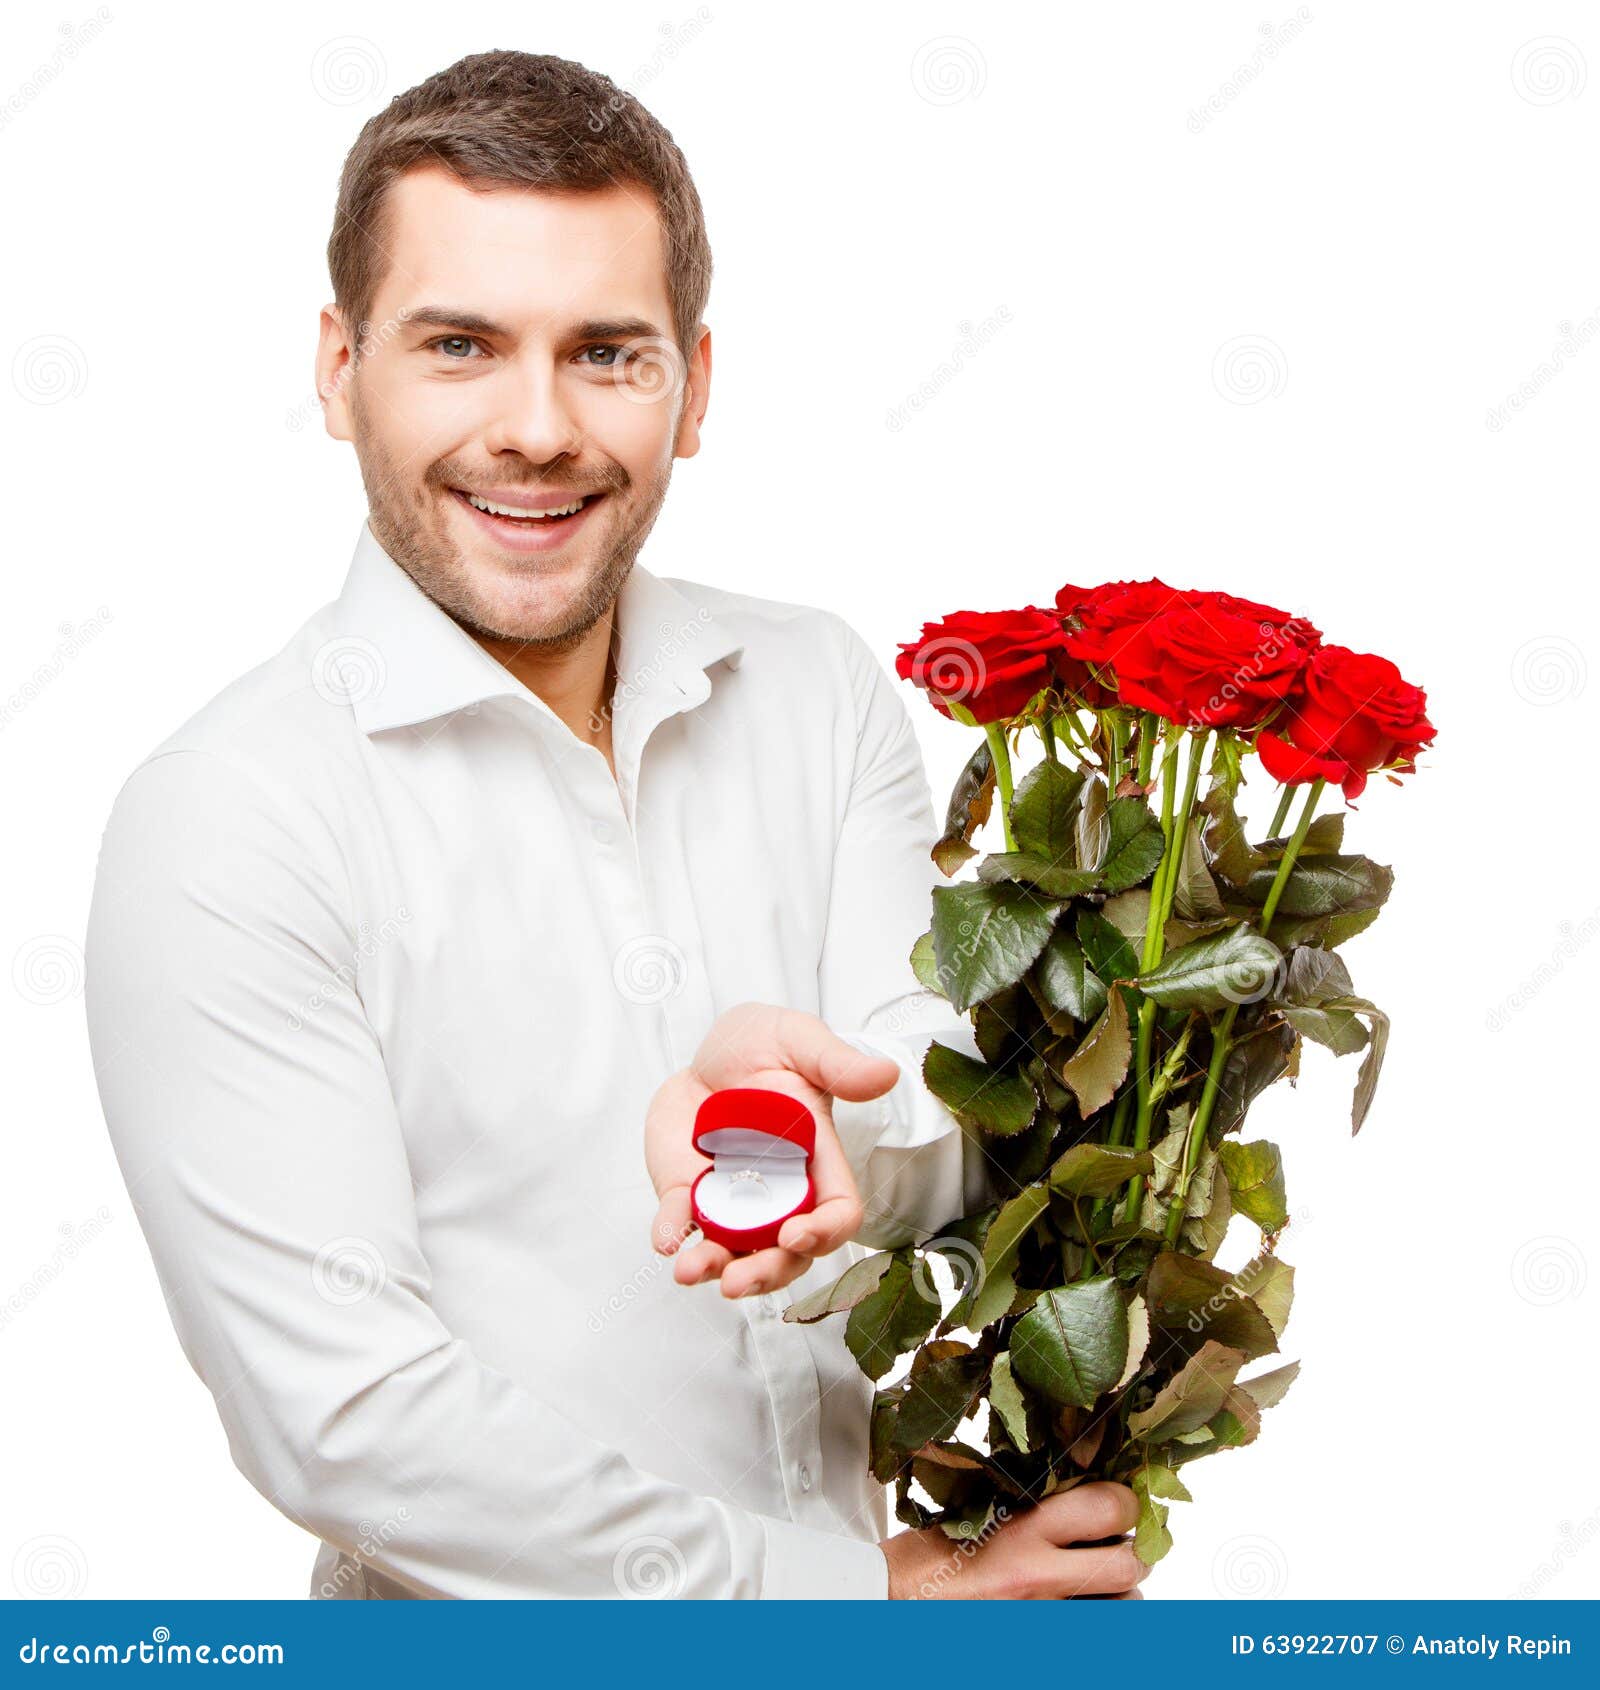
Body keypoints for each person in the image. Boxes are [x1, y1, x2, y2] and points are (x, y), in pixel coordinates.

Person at [84, 48, 1145, 1601]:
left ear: (692, 386)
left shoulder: (817, 688)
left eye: (606, 352)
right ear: (337, 367)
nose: (536, 428)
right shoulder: (229, 819)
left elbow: (956, 1136)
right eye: (458, 344)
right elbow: (347, 1417)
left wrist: (795, 1130)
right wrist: (846, 1607)